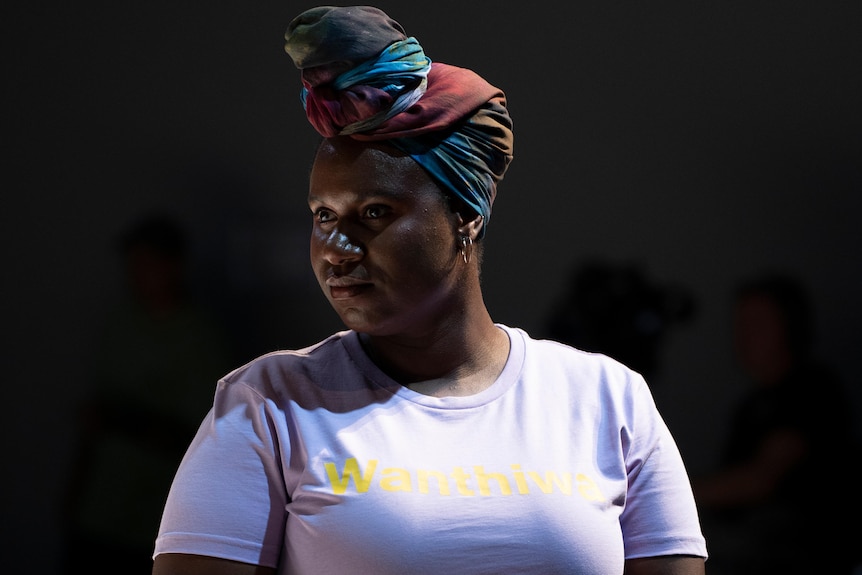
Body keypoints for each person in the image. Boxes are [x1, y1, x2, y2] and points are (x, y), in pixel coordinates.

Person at [151, 6, 707, 574]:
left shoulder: (607, 401)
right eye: (323, 216)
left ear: (465, 216)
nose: (337, 247)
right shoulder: (270, 404)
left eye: (373, 212)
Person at [62, 213, 233, 574]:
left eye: (145, 264)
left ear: (173, 266)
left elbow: (196, 441)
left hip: (152, 522)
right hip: (98, 514)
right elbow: (97, 413)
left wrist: (120, 420)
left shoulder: (199, 340)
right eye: (132, 265)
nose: (135, 274)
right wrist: (76, 491)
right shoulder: (122, 321)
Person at [692, 273, 858, 574]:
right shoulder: (750, 405)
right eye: (739, 324)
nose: (743, 336)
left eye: (756, 324)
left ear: (790, 327)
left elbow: (761, 479)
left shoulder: (813, 390)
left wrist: (670, 494)